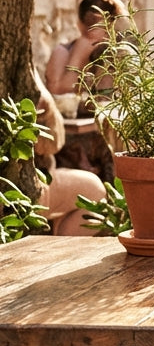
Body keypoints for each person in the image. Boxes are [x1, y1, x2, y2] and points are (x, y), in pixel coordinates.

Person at [33, 84, 107, 236]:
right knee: (91, 189)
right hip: (16, 191)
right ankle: (60, 255)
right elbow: (50, 144)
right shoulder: (18, 71)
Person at [45, 0, 128, 97]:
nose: (109, 35)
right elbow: (57, 94)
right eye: (103, 28)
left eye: (111, 28)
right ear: (81, 25)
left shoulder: (119, 55)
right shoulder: (63, 52)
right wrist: (78, 57)